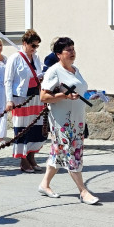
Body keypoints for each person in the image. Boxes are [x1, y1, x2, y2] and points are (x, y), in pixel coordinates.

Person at [37, 37, 98, 205]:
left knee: (58, 154)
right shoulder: (54, 71)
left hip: (77, 120)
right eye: (68, 50)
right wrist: (64, 95)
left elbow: (80, 90)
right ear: (58, 54)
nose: (72, 52)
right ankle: (83, 191)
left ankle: (44, 184)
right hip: (62, 121)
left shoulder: (75, 70)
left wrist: (90, 94)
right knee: (72, 153)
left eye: (73, 49)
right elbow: (43, 96)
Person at [4, 29, 46, 173]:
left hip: (35, 97)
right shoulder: (15, 58)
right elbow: (8, 80)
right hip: (20, 98)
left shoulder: (36, 57)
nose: (34, 49)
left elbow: (38, 73)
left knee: (36, 127)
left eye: (36, 46)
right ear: (24, 43)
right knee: (22, 128)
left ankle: (31, 156)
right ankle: (23, 159)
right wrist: (9, 100)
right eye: (33, 46)